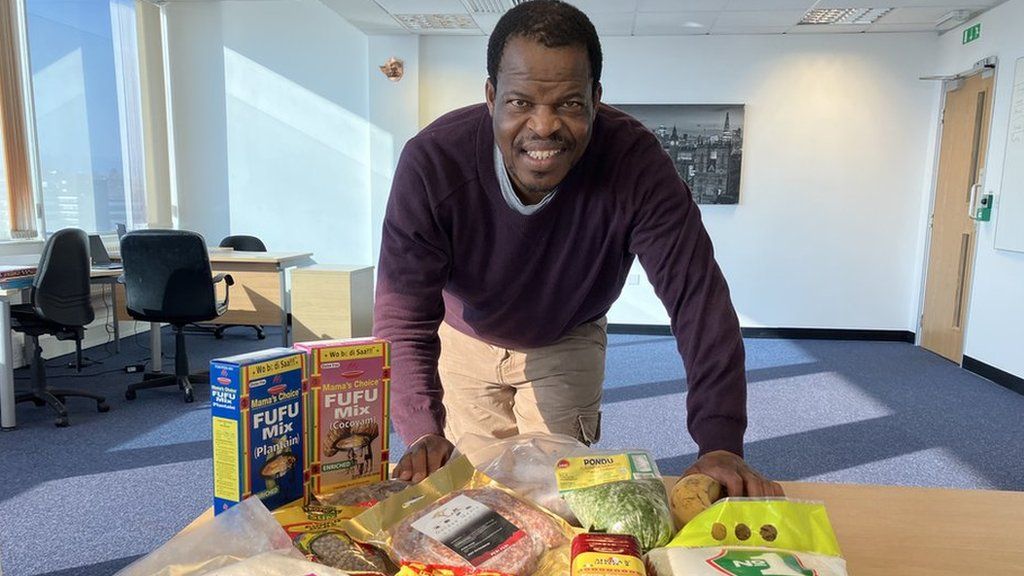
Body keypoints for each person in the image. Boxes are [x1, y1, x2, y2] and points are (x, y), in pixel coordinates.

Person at [374, 0, 782, 498]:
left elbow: (698, 301)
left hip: (567, 336)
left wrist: (721, 442)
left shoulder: (636, 164)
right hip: (465, 335)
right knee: (479, 502)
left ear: (595, 98)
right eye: (521, 102)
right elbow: (402, 313)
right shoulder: (433, 162)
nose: (543, 127)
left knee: (557, 497)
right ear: (491, 96)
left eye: (568, 103)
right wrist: (421, 429)